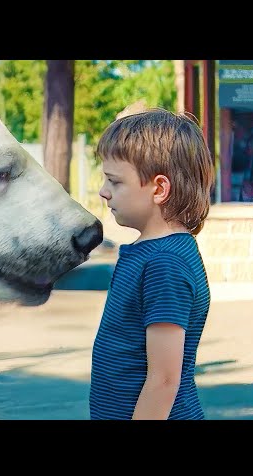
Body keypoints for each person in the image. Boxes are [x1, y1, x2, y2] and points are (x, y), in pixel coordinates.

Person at [89, 107, 215, 420]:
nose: (104, 192)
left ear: (159, 189)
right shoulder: (150, 254)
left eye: (115, 182)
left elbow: (164, 379)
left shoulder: (165, 264)